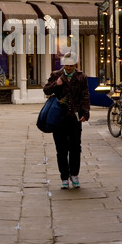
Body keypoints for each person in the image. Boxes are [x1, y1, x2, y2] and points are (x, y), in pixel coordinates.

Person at [43, 52, 90, 189]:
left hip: (74, 117)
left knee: (75, 147)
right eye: (66, 65)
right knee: (61, 148)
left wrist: (85, 113)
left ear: (75, 64)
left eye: (71, 66)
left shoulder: (81, 77)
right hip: (58, 117)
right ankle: (64, 176)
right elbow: (46, 90)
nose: (68, 68)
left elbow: (85, 96)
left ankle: (74, 174)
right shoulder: (56, 75)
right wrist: (56, 84)